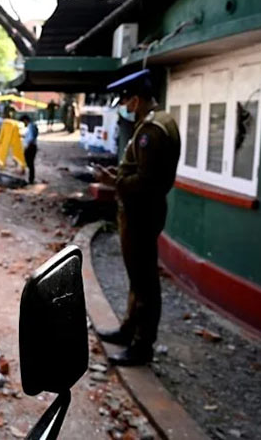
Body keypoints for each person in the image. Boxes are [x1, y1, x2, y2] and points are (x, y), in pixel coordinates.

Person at [93, 69, 181, 366]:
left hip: (140, 214)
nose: (126, 107)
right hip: (144, 212)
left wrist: (112, 182)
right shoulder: (159, 121)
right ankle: (128, 330)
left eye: (127, 101)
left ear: (138, 98)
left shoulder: (151, 131)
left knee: (144, 282)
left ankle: (142, 345)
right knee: (137, 277)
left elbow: (145, 183)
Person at [20, 115, 38, 184]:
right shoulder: (31, 126)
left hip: (30, 146)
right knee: (30, 163)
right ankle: (31, 179)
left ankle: (31, 179)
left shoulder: (31, 127)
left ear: (25, 120)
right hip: (32, 146)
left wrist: (27, 146)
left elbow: (31, 138)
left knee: (30, 163)